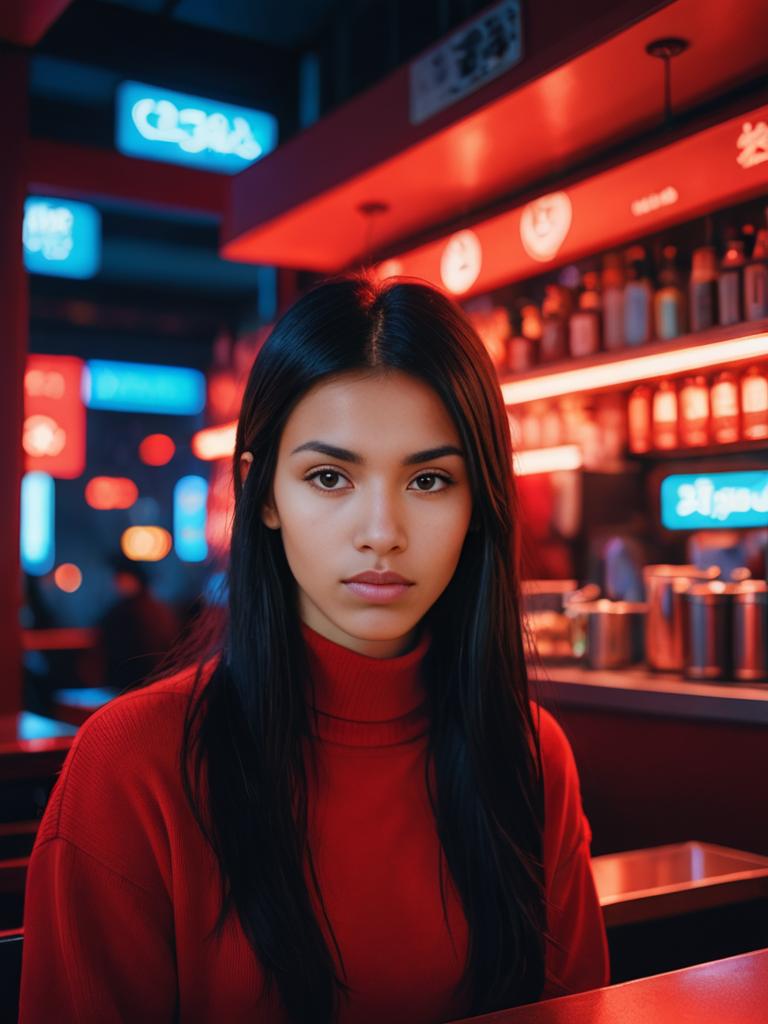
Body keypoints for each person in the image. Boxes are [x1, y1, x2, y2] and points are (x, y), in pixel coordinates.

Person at [19, 275, 609, 1024]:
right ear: (260, 494)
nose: (381, 530)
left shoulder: (528, 754)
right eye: (329, 477)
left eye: (429, 479)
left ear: (479, 502)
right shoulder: (134, 764)